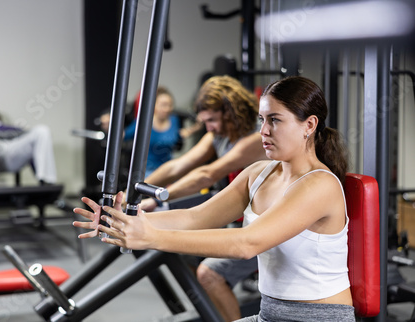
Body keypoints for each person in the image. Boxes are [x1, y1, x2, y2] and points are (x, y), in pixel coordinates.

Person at [73, 76, 355, 321]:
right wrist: (126, 220)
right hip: (269, 314)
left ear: (309, 125)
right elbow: (195, 217)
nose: (263, 131)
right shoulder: (259, 173)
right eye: (262, 120)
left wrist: (150, 238)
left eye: (275, 120)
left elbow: (247, 243)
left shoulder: (320, 184)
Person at [139, 75, 265, 212]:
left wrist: (155, 200)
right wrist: (134, 190)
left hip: (266, 211)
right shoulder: (219, 135)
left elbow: (207, 175)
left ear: (230, 113)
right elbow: (176, 167)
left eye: (211, 120)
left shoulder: (258, 137)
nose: (209, 128)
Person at [122, 86, 191, 178]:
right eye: (163, 105)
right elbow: (124, 136)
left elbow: (178, 143)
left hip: (168, 169)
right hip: (147, 171)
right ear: (154, 105)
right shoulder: (144, 122)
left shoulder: (174, 120)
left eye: (169, 105)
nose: (167, 109)